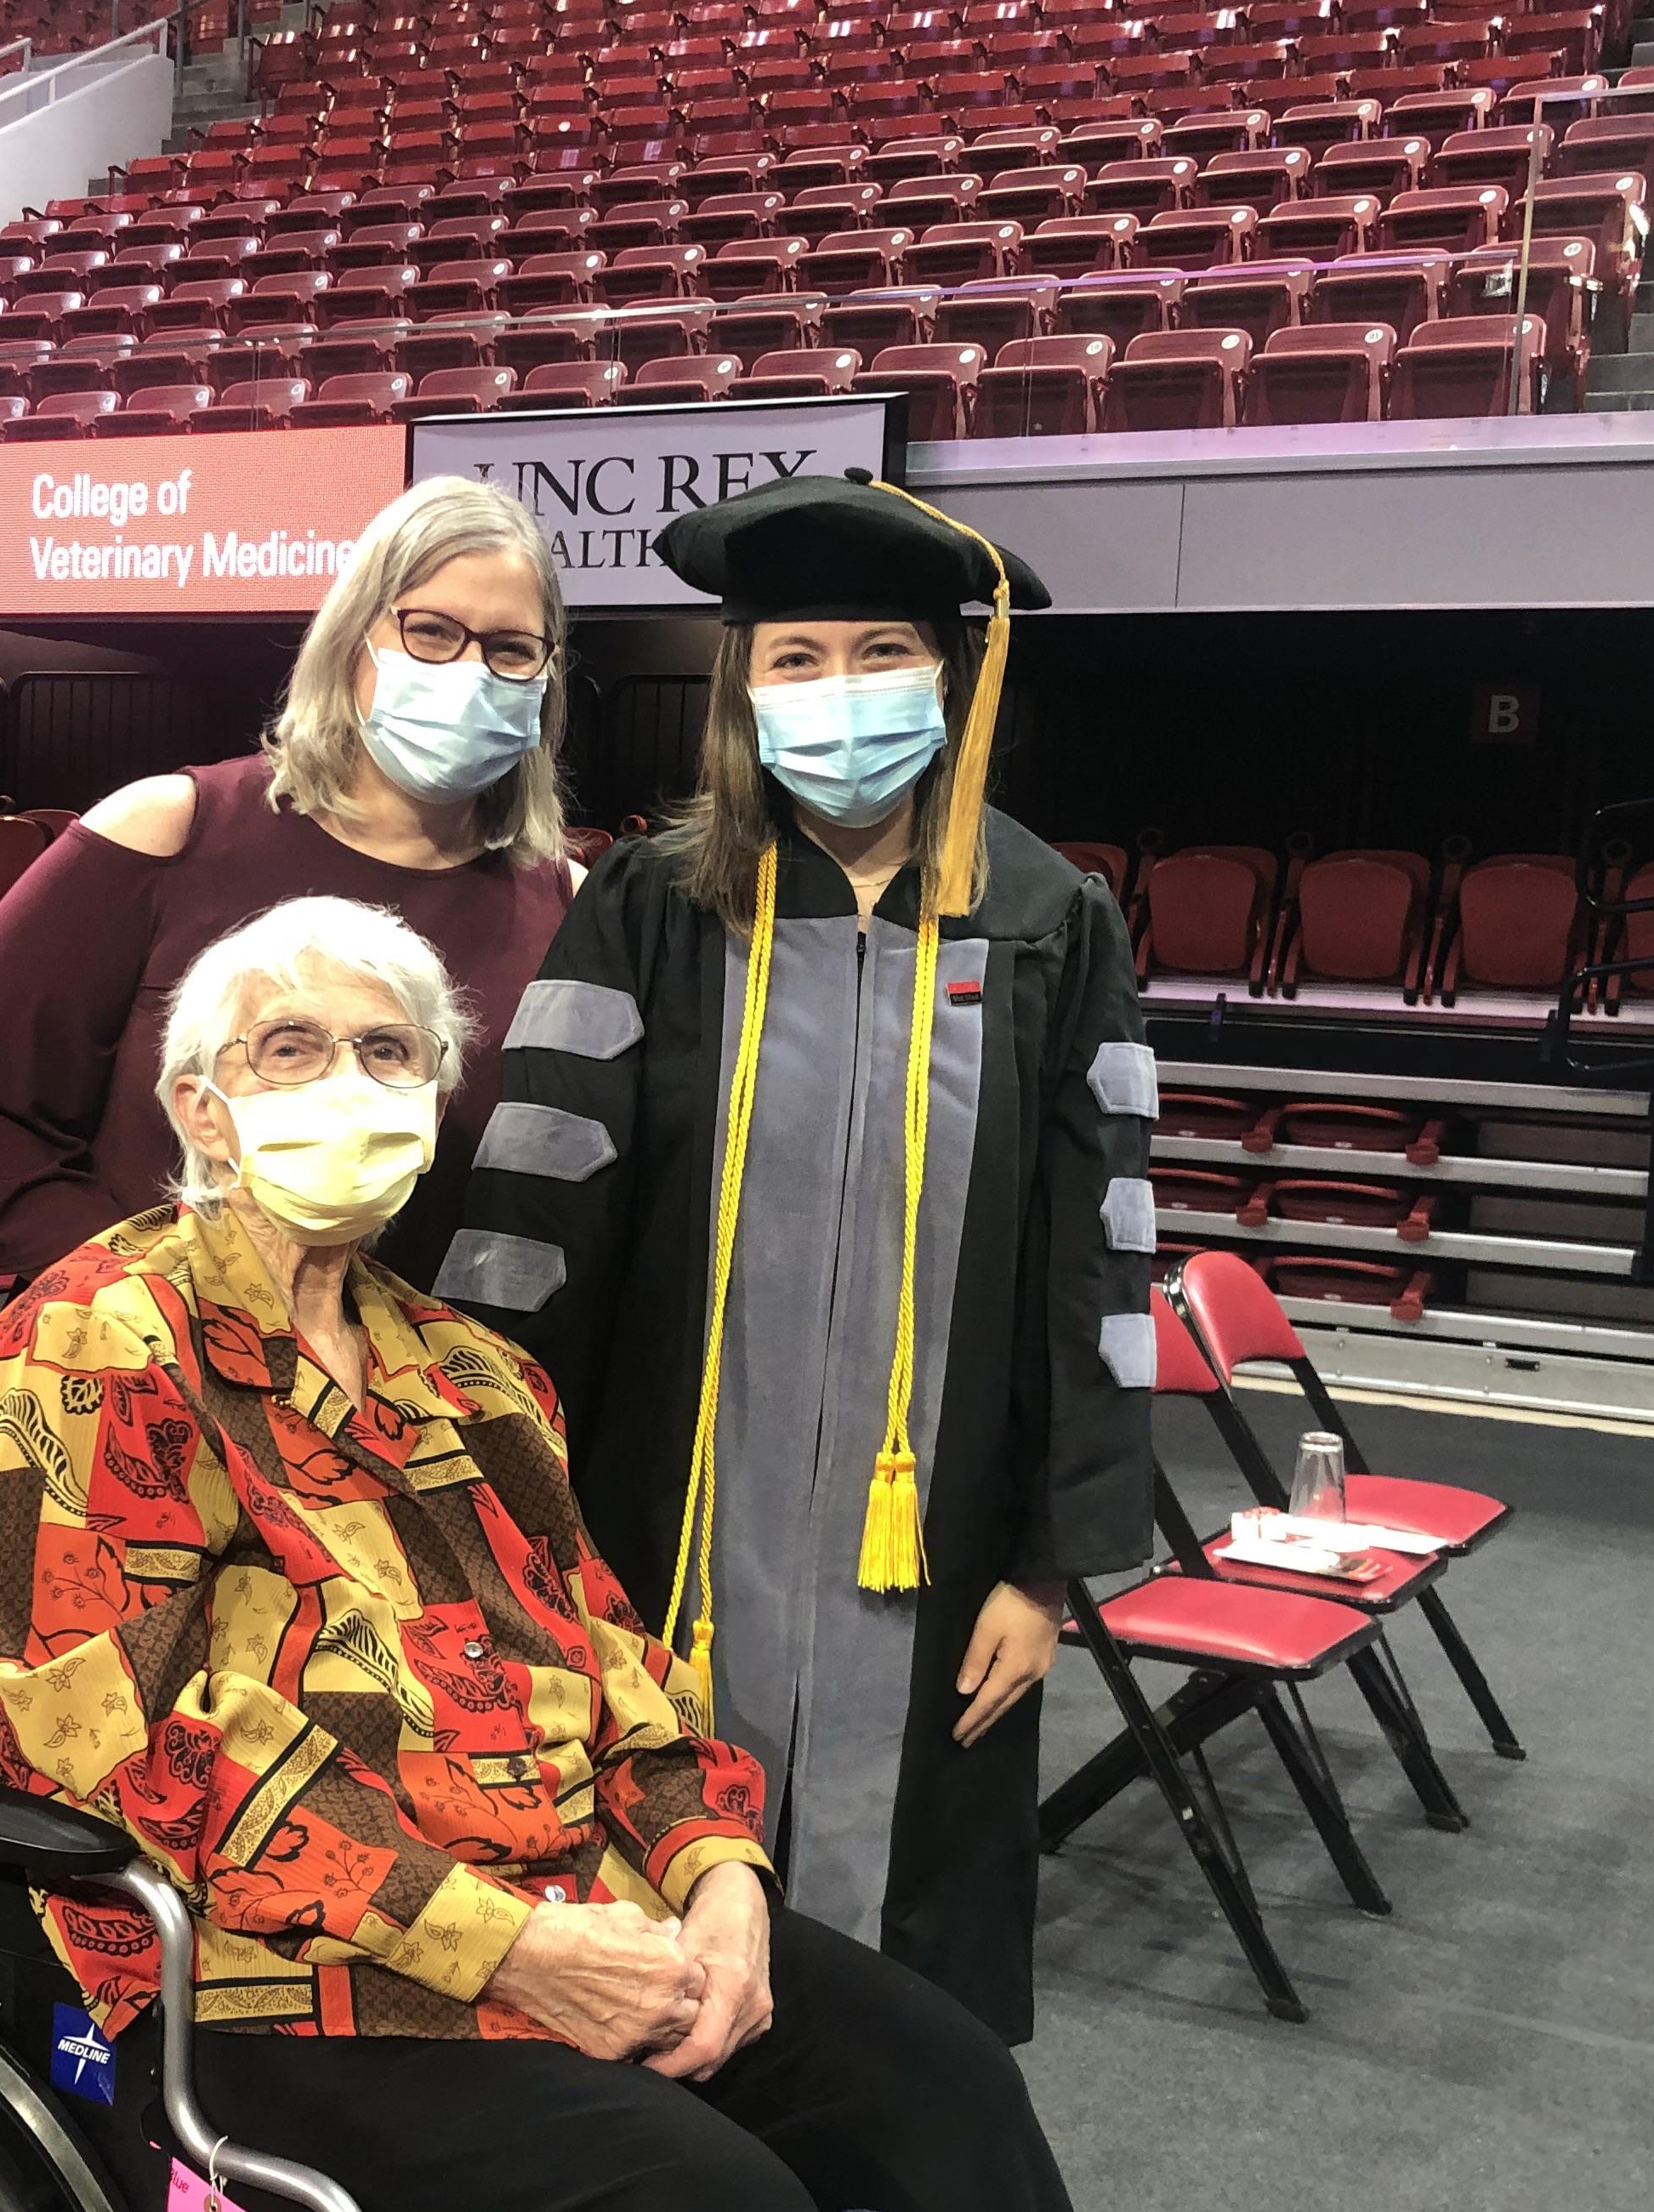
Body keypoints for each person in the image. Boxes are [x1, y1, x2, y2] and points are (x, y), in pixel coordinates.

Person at [0, 894, 1594, 2212]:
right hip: (273, 1989)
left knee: (936, 2082)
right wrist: (504, 1944)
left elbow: (620, 1680)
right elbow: (103, 1742)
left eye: (388, 1053)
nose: (346, 1091)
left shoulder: (471, 1375)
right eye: (291, 1052)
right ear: (198, 1102)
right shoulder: (90, 1351)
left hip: (577, 1913)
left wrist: (719, 1876)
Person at [435, 473, 1145, 2043]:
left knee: (902, 1996)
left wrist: (1045, 1568)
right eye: (796, 658)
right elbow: (534, 1225)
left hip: (938, 1543)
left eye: (881, 652)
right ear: (742, 689)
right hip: (662, 1516)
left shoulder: (1048, 918)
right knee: (643, 1916)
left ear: (951, 677)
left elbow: (1098, 1262)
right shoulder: (653, 904)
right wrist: (501, 1519)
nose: (840, 693)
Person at [0, 474, 581, 1296]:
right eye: (432, 632)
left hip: (434, 1363)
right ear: (353, 639)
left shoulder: (574, 908)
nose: (471, 671)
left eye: (511, 649)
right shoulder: (165, 832)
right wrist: (151, 1297)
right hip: (158, 1348)